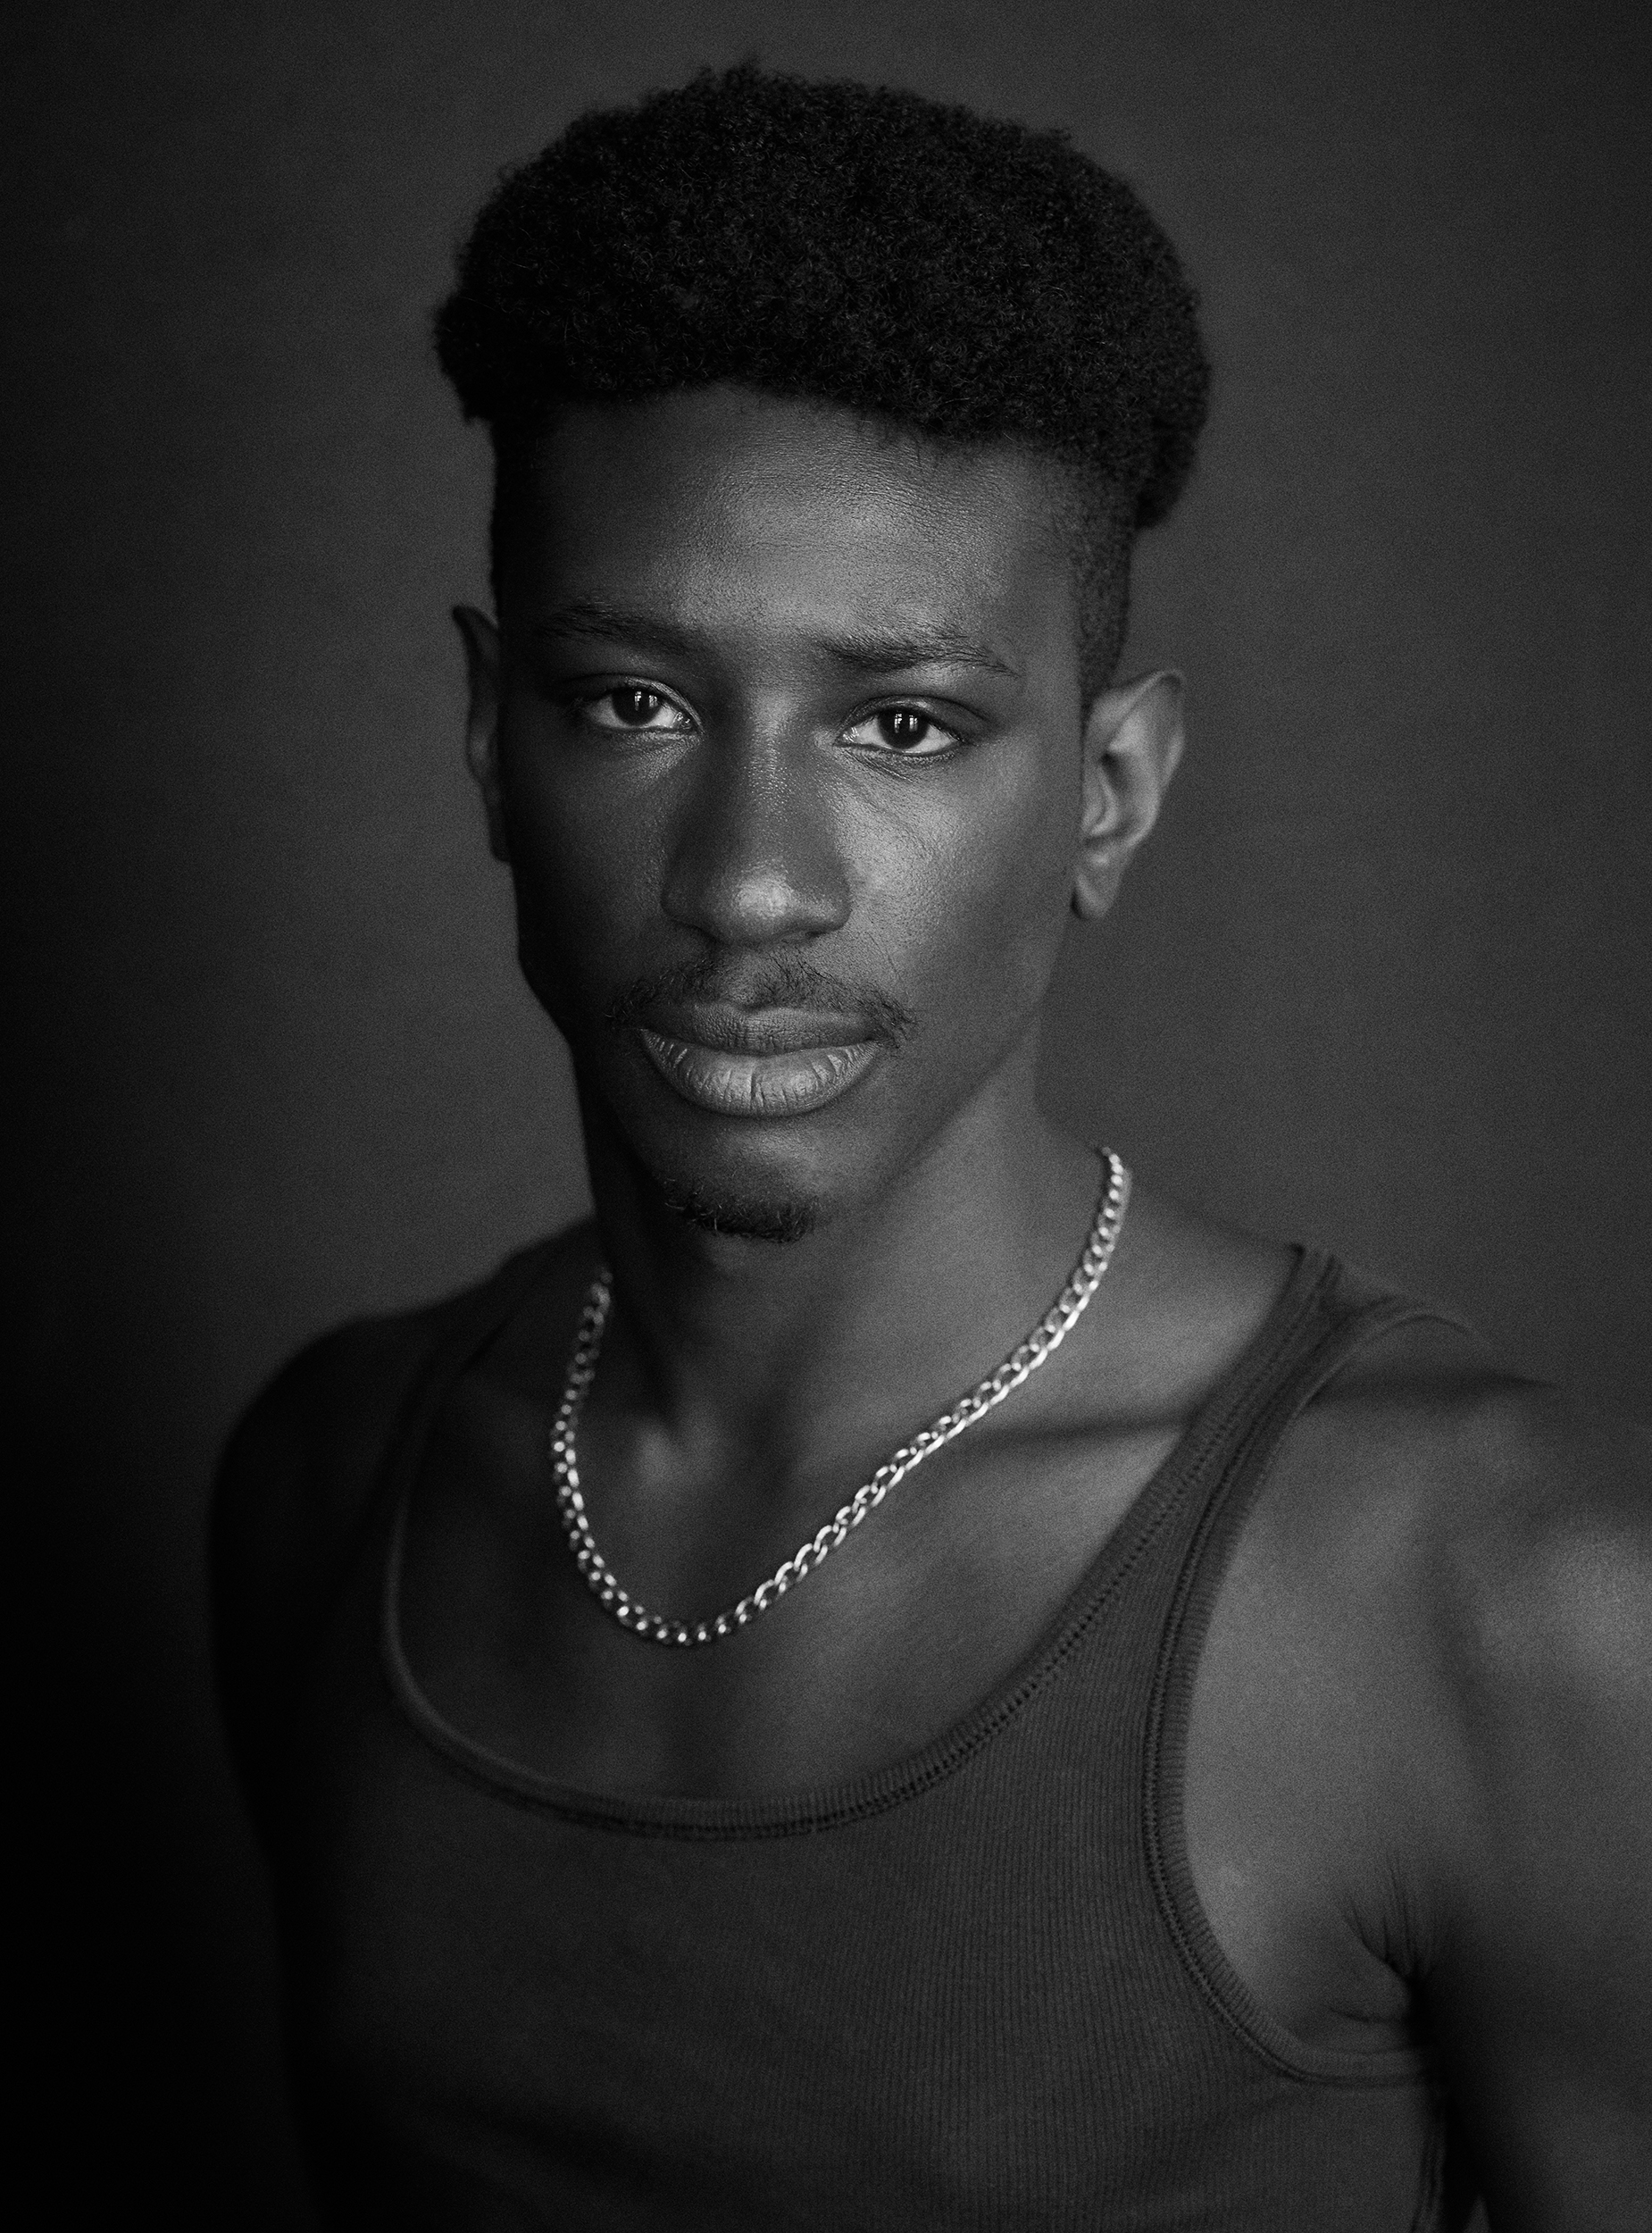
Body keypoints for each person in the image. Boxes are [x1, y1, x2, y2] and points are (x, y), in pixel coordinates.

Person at [211, 63, 1651, 2232]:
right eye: (631, 702)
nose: (749, 882)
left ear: (1108, 793)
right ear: (490, 736)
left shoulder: (1512, 1601)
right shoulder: (330, 1483)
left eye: (901, 722)